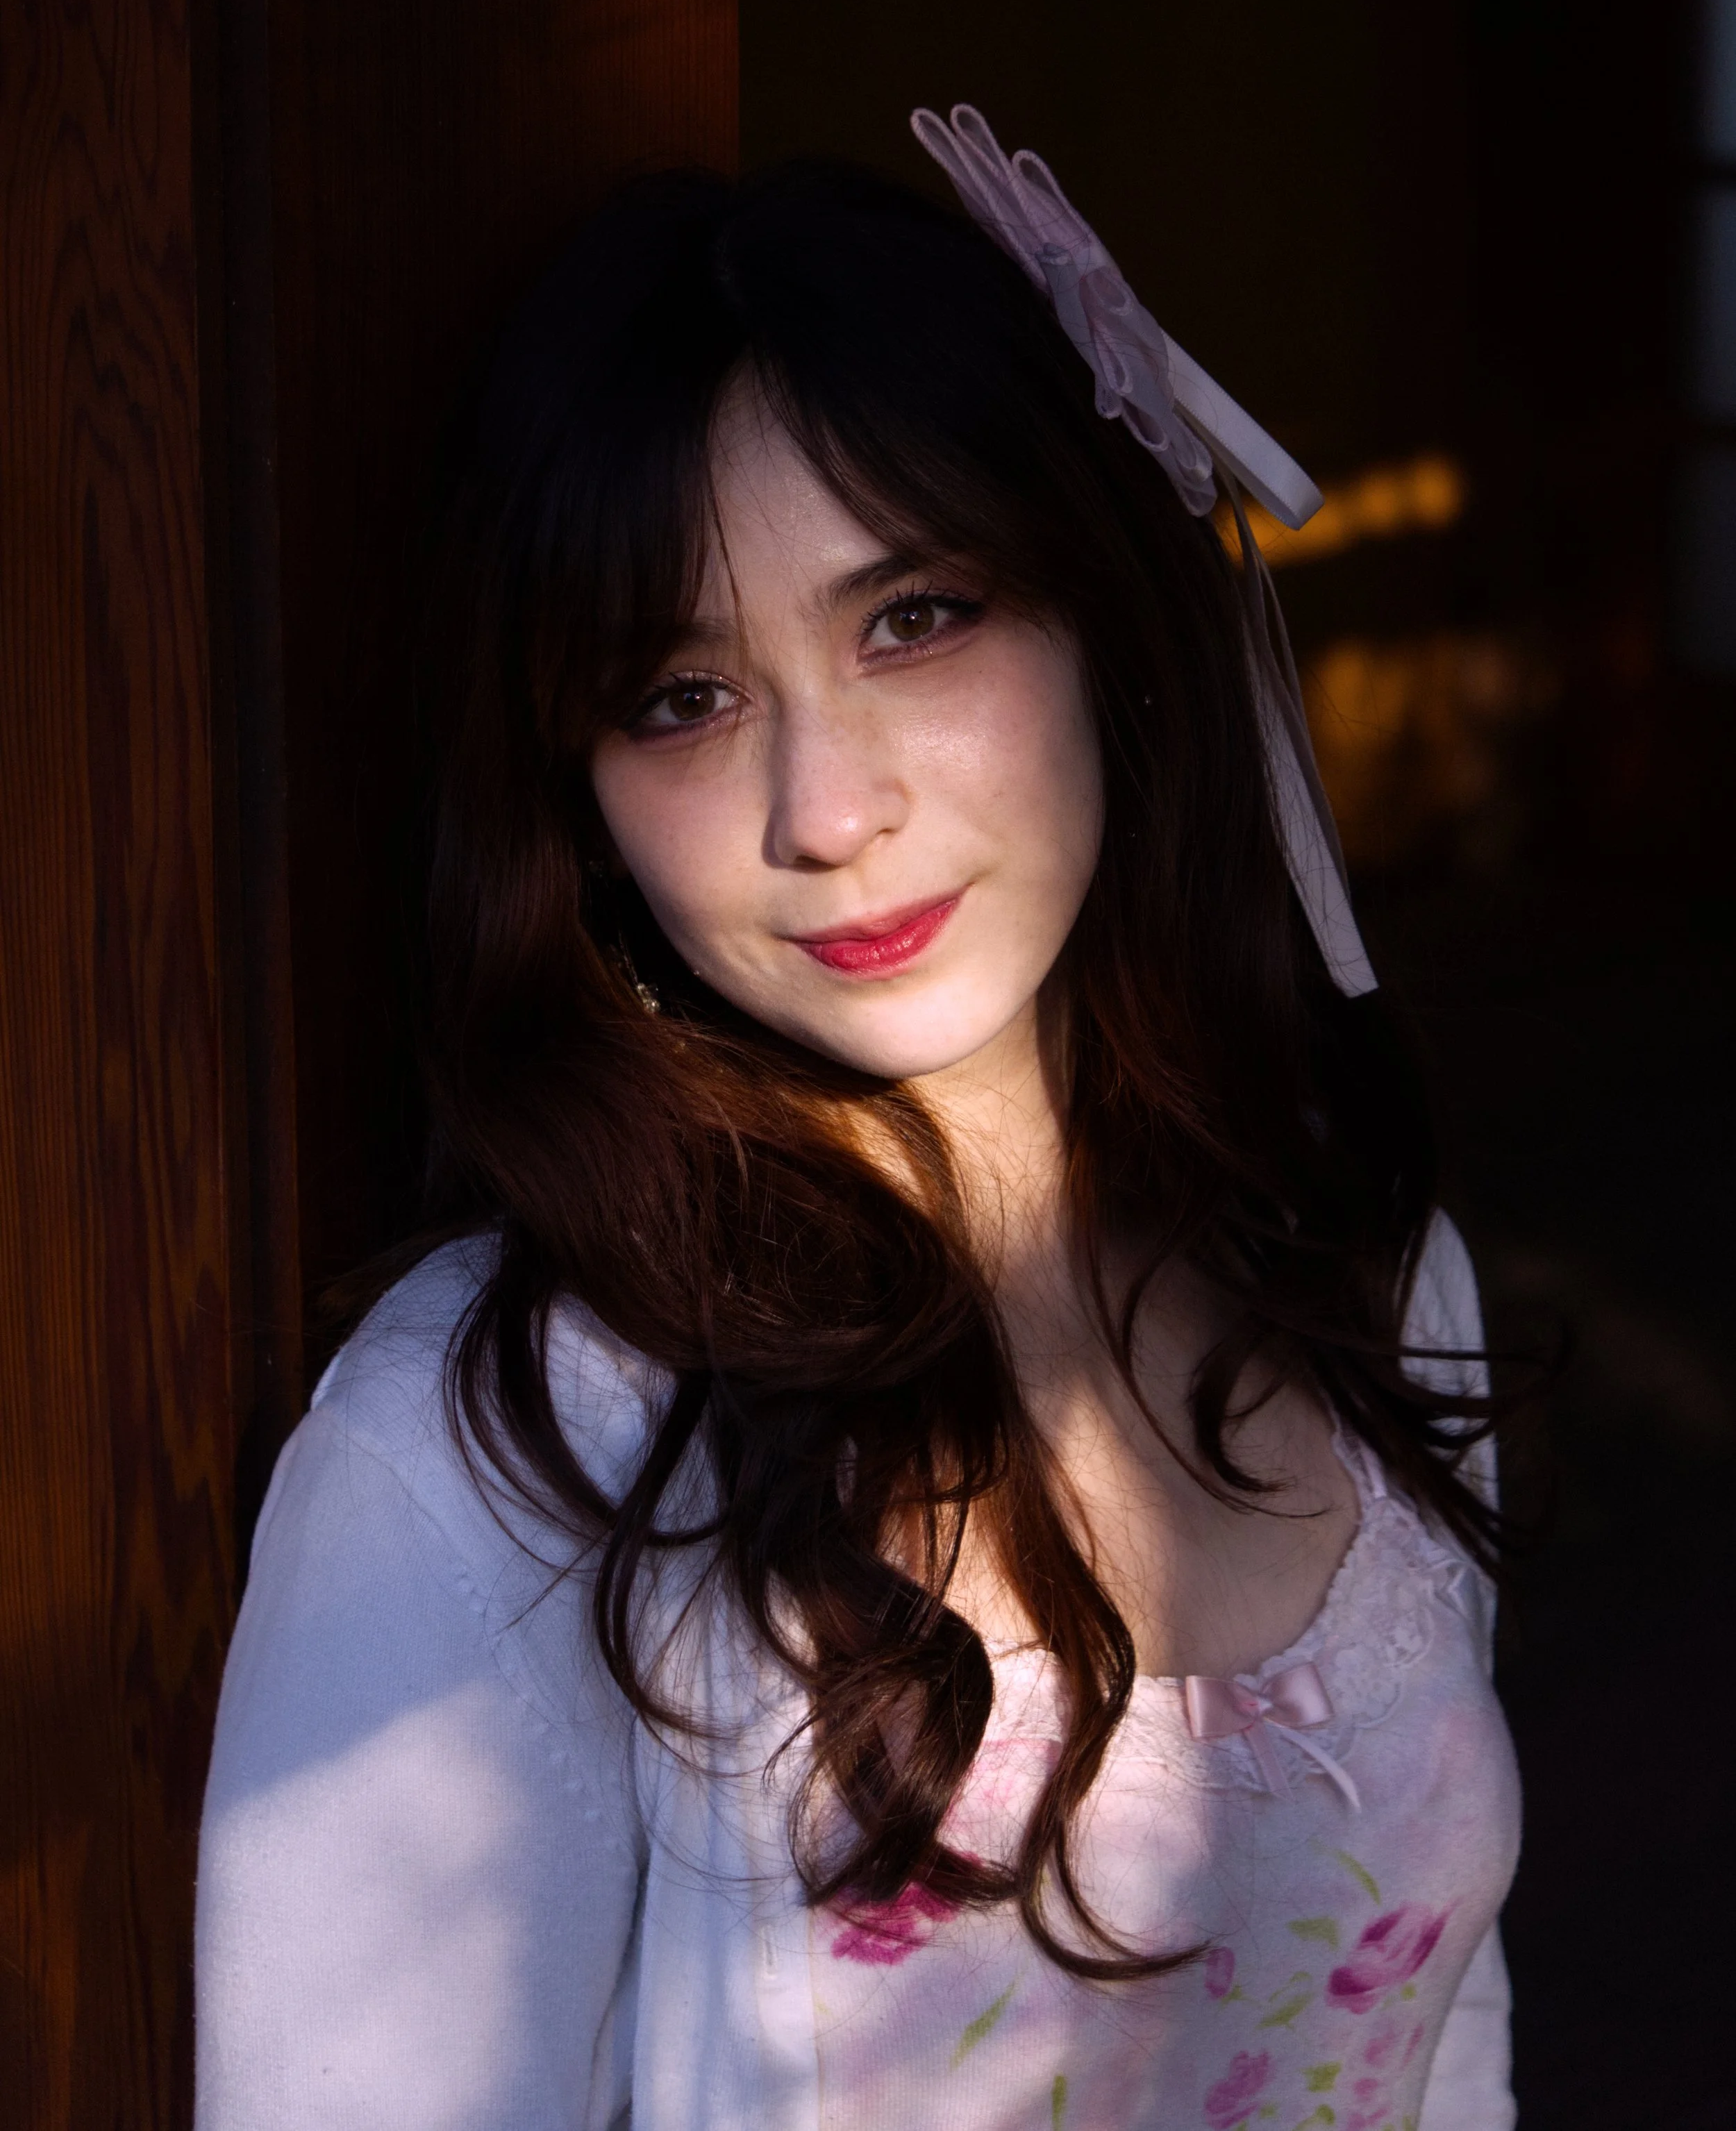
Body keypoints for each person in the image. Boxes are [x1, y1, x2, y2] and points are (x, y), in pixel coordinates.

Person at [195, 110, 1521, 2130]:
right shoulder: (500, 1454)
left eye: (913, 615)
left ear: (1104, 614)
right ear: (579, 802)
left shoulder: (1348, 1257)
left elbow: (1447, 2047)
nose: (824, 810)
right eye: (682, 696)